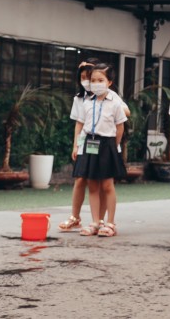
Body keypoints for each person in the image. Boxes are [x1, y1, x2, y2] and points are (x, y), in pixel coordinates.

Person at [72, 63, 125, 238]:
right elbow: (81, 125)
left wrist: (112, 146)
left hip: (107, 144)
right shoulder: (87, 103)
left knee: (107, 185)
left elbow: (120, 127)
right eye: (93, 80)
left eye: (100, 80)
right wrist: (78, 145)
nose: (96, 83)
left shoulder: (115, 102)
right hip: (89, 144)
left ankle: (110, 222)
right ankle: (95, 221)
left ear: (109, 82)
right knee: (92, 185)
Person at [59, 60, 94, 232]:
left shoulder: (108, 95)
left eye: (89, 77)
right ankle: (75, 217)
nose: (86, 81)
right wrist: (76, 146)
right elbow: (79, 125)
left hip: (103, 144)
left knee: (99, 182)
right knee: (80, 179)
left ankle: (100, 220)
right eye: (82, 78)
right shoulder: (79, 99)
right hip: (85, 143)